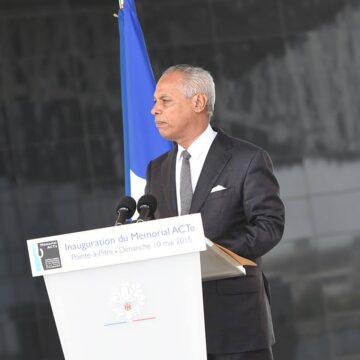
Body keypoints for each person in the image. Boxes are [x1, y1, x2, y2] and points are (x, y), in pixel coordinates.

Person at [145, 64, 285, 360]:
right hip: (177, 327)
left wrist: (211, 253)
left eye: (165, 101)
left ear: (198, 102)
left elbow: (269, 225)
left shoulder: (247, 159)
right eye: (155, 102)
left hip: (237, 325)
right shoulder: (157, 169)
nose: (154, 110)